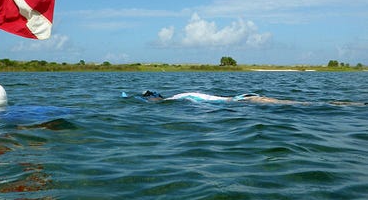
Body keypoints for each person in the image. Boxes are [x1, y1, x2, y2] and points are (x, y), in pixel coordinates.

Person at [127, 90, 366, 106]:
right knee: (297, 104)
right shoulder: (182, 95)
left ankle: (348, 105)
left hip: (243, 102)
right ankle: (348, 104)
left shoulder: (176, 100)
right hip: (242, 99)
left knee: (302, 105)